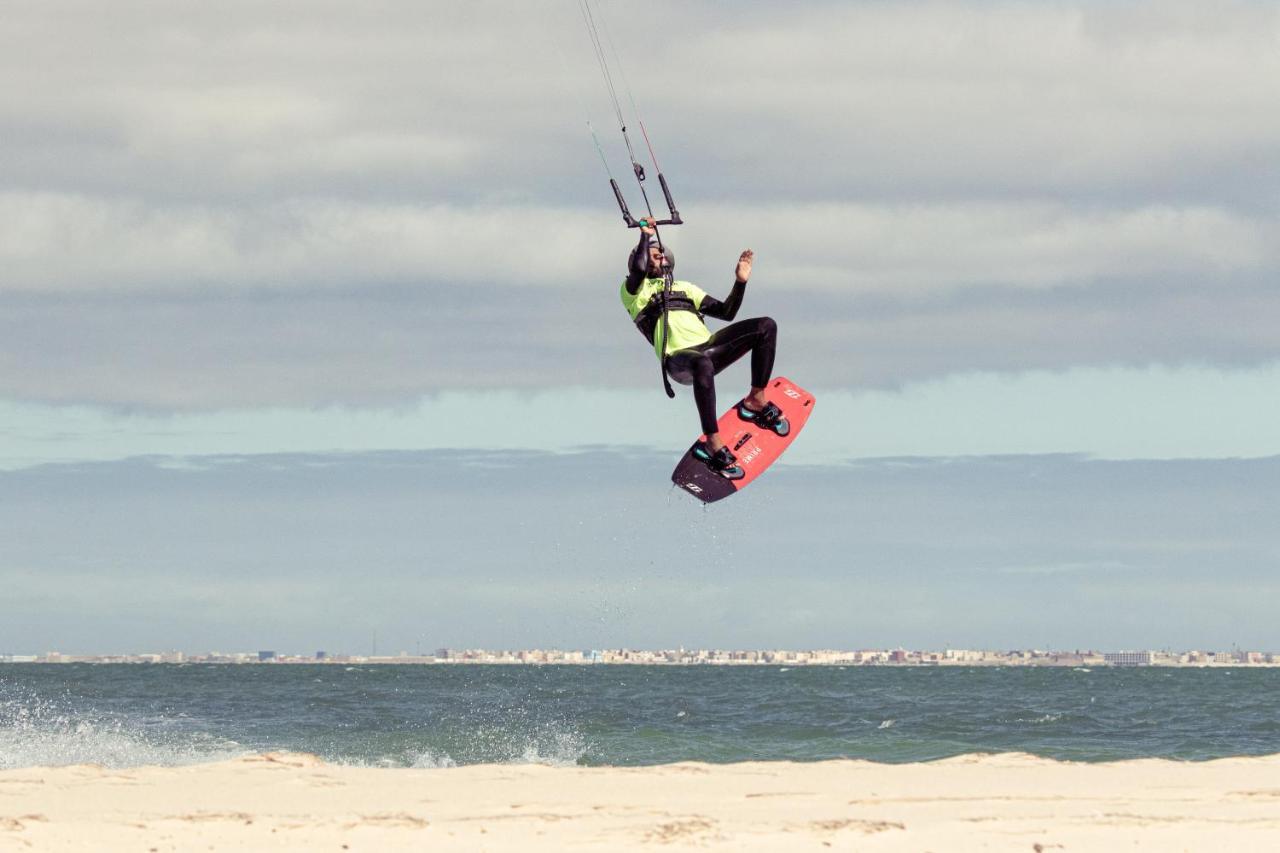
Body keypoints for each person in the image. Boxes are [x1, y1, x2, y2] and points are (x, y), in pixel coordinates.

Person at [620, 221, 787, 479]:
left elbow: (726, 312)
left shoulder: (685, 288)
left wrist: (739, 282)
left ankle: (756, 399)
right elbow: (639, 269)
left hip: (708, 349)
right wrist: (645, 236)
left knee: (766, 326)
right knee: (701, 363)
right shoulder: (633, 292)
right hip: (678, 360)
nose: (660, 256)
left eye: (661, 253)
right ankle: (713, 442)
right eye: (654, 254)